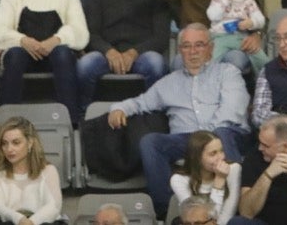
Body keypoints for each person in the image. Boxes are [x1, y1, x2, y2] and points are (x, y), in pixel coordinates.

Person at [106, 23, 253, 212]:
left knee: (222, 131)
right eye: (186, 46)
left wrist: (207, 141)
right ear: (180, 51)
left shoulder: (227, 73)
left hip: (228, 135)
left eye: (199, 45)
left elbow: (232, 109)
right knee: (150, 142)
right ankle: (168, 210)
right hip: (188, 140)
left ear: (211, 47)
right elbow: (140, 102)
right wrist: (119, 109)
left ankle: (234, 205)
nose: (192, 52)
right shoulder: (168, 83)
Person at [79, 0, 171, 106]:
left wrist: (134, 52)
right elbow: (90, 33)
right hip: (106, 54)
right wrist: (109, 51)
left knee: (156, 64)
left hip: (141, 54)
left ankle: (156, 113)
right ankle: (83, 116)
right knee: (85, 65)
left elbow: (161, 36)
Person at [0, 116, 64, 225]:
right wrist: (20, 220)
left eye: (16, 143)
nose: (9, 149)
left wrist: (31, 222)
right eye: (4, 143)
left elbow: (53, 206)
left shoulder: (49, 170)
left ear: (30, 142)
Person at [172, 133, 242, 223]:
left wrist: (220, 179)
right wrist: (219, 181)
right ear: (197, 157)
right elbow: (193, 217)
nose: (221, 157)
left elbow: (227, 217)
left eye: (221, 151)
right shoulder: (179, 179)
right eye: (213, 154)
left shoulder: (233, 169)